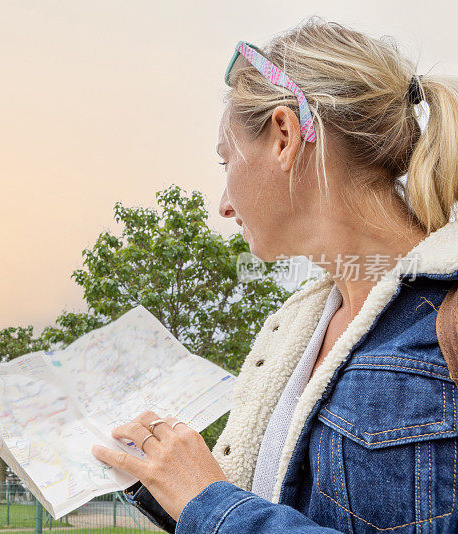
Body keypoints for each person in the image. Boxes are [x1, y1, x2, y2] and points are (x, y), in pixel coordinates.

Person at [91, 16, 458, 533]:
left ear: (284, 136)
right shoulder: (295, 333)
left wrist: (209, 502)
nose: (222, 205)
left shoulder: (445, 325)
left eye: (225, 160)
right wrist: (166, 481)